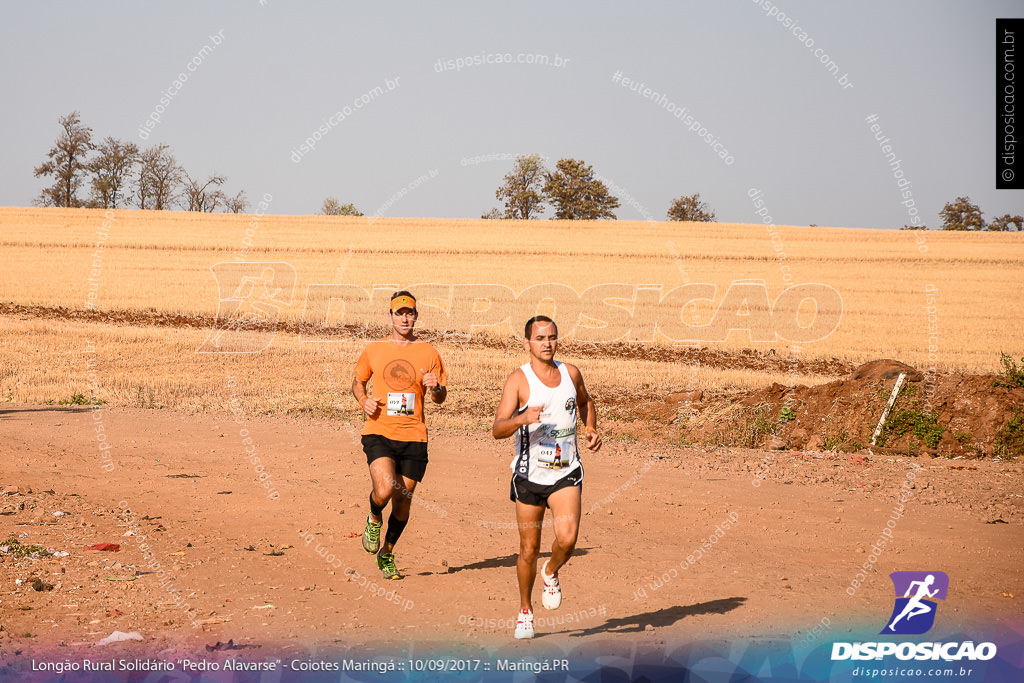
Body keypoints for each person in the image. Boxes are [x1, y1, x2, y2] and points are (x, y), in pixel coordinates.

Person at [492, 315, 601, 639]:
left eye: (551, 337)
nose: (547, 343)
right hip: (529, 475)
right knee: (529, 548)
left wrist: (591, 428)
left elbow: (586, 402)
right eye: (540, 338)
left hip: (566, 471)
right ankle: (525, 611)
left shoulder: (570, 373)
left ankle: (550, 571)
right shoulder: (519, 380)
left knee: (567, 539)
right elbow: (498, 428)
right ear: (527, 343)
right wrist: (522, 417)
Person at [352, 291, 447, 580]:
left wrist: (435, 388)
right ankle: (373, 517)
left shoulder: (429, 353)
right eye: (399, 313)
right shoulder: (374, 349)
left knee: (403, 502)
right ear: (390, 316)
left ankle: (387, 553)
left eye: (410, 313)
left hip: (414, 436)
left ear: (416, 315)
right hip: (379, 430)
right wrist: (363, 400)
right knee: (384, 490)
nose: (405, 317)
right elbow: (358, 381)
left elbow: (441, 398)